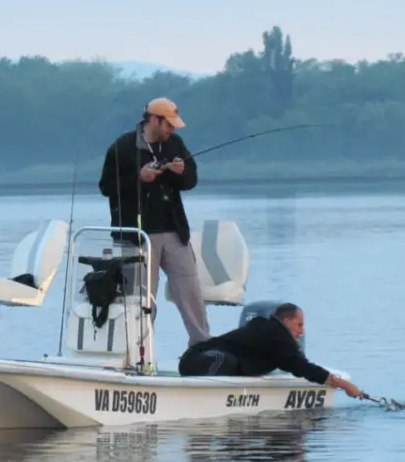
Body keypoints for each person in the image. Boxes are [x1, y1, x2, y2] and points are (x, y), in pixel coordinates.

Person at [98, 97, 210, 346]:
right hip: (137, 236)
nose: (172, 130)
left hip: (174, 231)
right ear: (153, 120)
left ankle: (202, 345)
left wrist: (182, 172)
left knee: (190, 290)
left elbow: (191, 181)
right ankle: (138, 351)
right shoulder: (122, 146)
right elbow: (106, 187)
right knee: (141, 299)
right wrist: (139, 178)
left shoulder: (176, 144)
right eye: (168, 125)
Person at [178, 302, 365, 399]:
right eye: (299, 325)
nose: (301, 332)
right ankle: (198, 398)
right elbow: (304, 368)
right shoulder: (275, 335)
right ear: (285, 321)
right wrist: (345, 385)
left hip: (203, 360)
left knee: (232, 363)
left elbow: (295, 362)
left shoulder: (272, 335)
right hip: (197, 359)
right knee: (227, 361)